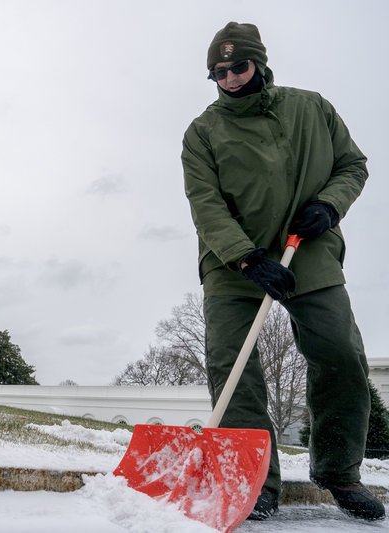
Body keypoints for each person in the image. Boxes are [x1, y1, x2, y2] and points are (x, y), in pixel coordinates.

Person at [181, 22, 385, 522]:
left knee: (339, 352)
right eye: (218, 72)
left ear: (260, 64)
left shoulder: (311, 107)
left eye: (238, 67)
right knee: (233, 367)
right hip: (235, 263)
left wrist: (330, 207)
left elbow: (352, 165)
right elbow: (205, 204)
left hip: (307, 251)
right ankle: (253, 479)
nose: (228, 78)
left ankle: (338, 472)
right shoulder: (202, 132)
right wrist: (247, 257)